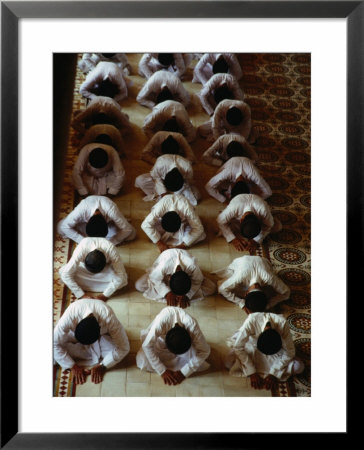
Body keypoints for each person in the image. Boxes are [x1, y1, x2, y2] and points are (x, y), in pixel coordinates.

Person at [54, 298, 130, 385]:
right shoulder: (70, 316)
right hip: (72, 334)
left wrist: (103, 365)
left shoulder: (109, 318)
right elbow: (53, 343)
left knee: (115, 350)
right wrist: (73, 366)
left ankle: (88, 355)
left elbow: (124, 347)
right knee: (54, 349)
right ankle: (86, 356)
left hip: (102, 337)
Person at [224, 312, 304, 390]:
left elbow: (290, 351)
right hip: (252, 345)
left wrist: (274, 373)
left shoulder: (282, 323)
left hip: (276, 353)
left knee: (299, 367)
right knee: (228, 362)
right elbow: (238, 347)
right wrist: (251, 371)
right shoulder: (252, 320)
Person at [136, 306, 210, 385]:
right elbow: (146, 345)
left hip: (184, 346)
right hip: (160, 340)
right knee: (143, 360)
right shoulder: (160, 324)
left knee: (201, 363)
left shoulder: (193, 327)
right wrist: (162, 370)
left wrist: (184, 372)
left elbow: (205, 351)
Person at [135, 248, 216, 307]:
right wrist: (167, 293)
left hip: (184, 278)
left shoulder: (192, 266)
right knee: (139, 285)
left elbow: (197, 281)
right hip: (161, 274)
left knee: (211, 288)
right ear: (169, 279)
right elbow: (154, 279)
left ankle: (181, 290)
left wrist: (187, 295)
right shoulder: (164, 265)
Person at [59, 237, 128, 301]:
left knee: (123, 279)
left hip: (104, 272)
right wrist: (81, 295)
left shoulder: (111, 249)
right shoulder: (82, 248)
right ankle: (97, 285)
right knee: (63, 271)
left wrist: (105, 295)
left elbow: (120, 275)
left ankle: (88, 285)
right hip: (84, 269)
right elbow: (65, 274)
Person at [215, 255, 290, 311]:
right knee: (233, 289)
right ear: (246, 293)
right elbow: (222, 288)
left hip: (263, 261)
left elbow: (287, 292)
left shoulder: (269, 278)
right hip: (240, 261)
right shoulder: (240, 277)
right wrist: (241, 303)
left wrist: (269, 305)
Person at [57, 195, 136, 245]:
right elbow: (65, 226)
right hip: (82, 222)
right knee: (60, 227)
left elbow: (127, 229)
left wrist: (112, 242)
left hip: (110, 223)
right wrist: (82, 241)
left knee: (132, 233)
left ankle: (121, 221)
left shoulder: (111, 210)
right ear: (88, 222)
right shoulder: (82, 208)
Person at [216, 193, 281, 253]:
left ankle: (227, 218)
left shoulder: (263, 211)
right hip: (235, 216)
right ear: (241, 220)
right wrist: (233, 239)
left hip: (258, 209)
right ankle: (224, 213)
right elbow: (219, 220)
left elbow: (269, 225)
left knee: (278, 227)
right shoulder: (234, 208)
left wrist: (256, 240)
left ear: (259, 220)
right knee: (221, 227)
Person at [141, 194, 205, 252]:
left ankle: (178, 239)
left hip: (184, 222)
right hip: (161, 220)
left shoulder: (187, 210)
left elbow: (199, 229)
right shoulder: (160, 208)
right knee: (150, 227)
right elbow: (145, 225)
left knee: (201, 235)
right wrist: (159, 243)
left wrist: (182, 246)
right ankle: (163, 237)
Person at [135, 154, 200, 205]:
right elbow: (156, 178)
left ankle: (172, 195)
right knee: (140, 180)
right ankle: (166, 195)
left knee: (196, 195)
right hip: (160, 179)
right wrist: (163, 193)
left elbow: (187, 182)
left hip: (180, 185)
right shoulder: (160, 163)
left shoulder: (187, 168)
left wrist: (178, 192)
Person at [205, 156, 272, 203]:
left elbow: (268, 192)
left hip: (247, 162)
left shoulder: (254, 175)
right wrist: (224, 200)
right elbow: (208, 186)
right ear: (232, 185)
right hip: (232, 163)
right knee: (221, 186)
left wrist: (255, 200)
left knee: (255, 190)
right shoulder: (227, 173)